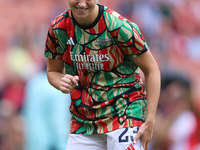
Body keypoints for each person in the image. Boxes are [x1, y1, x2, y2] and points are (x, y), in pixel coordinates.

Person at [44, 0, 160, 150]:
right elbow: (52, 71)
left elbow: (152, 70)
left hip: (125, 113)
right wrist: (61, 82)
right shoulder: (58, 28)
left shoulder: (119, 26)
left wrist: (150, 119)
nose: (82, 3)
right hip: (84, 120)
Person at [23, 69, 71, 150]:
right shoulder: (59, 86)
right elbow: (59, 122)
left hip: (33, 141)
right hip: (51, 144)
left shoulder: (33, 82)